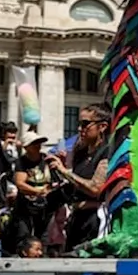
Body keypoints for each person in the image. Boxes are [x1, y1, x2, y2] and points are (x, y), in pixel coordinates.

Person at [49, 103, 111, 252]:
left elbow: (96, 188)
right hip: (76, 220)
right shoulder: (81, 153)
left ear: (102, 126)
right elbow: (77, 184)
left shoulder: (107, 152)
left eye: (85, 124)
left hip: (95, 222)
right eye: (79, 123)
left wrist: (64, 171)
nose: (79, 129)